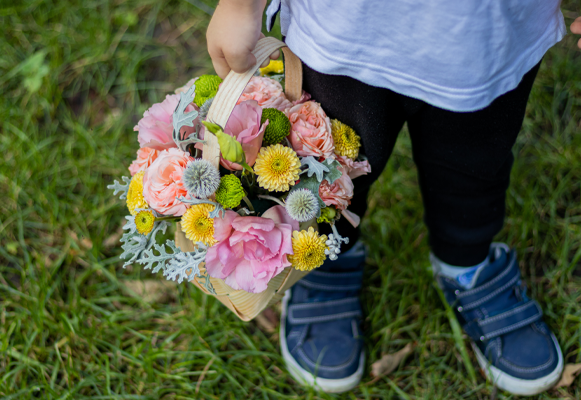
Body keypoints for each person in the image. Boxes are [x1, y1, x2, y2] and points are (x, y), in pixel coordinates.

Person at [206, 0, 581, 395]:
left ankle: (466, 262)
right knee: (331, 164)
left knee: (474, 167)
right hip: (348, 29)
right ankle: (328, 256)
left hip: (493, 29)